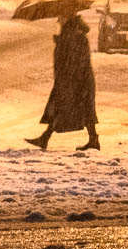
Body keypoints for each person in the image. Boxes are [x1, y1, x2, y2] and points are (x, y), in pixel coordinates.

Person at [25, 11, 100, 151]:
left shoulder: (75, 34)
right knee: (67, 108)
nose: (58, 20)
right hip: (71, 79)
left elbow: (75, 58)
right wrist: (61, 41)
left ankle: (46, 138)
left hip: (76, 80)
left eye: (61, 17)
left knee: (71, 108)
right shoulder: (71, 33)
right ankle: (46, 138)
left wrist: (62, 43)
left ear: (68, 17)